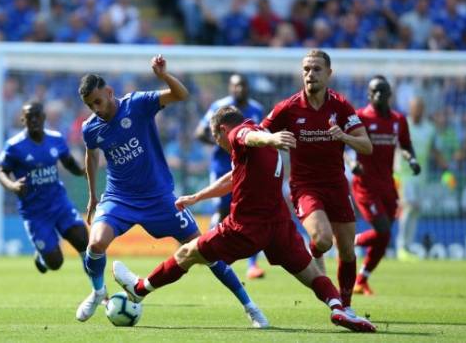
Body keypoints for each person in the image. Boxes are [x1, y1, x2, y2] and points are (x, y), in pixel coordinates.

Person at [111, 106, 376, 332]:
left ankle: (139, 288)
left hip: (245, 227)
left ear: (222, 130)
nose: (219, 144)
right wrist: (197, 197)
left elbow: (249, 138)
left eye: (217, 138)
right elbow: (233, 176)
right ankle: (338, 307)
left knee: (187, 253)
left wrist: (269, 140)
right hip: (279, 226)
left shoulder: (241, 133)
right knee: (309, 272)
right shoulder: (256, 132)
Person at [76, 55, 267, 327]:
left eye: (98, 101)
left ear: (108, 92)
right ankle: (97, 292)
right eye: (89, 105)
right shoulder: (90, 128)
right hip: (119, 198)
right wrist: (94, 196)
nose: (95, 109)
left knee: (205, 250)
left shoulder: (137, 104)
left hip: (160, 199)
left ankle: (250, 306)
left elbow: (181, 94)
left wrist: (164, 76)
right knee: (95, 243)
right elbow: (91, 156)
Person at [260, 49, 372, 313]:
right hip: (305, 186)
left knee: (347, 250)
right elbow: (259, 133)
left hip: (336, 185)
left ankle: (345, 306)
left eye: (317, 69)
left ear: (329, 74)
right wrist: (271, 140)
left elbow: (366, 146)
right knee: (323, 240)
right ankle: (315, 252)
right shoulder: (288, 108)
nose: (310, 74)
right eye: (306, 70)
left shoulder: (341, 106)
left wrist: (344, 137)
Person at [0, 101, 89, 276]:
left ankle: (100, 291)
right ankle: (42, 257)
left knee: (84, 241)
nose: (33, 120)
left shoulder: (56, 139)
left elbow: (68, 162)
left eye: (37, 116)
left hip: (59, 203)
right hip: (35, 211)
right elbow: (1, 171)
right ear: (23, 120)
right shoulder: (14, 146)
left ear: (43, 117)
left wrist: (82, 171)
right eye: (29, 117)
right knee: (55, 263)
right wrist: (12, 185)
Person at [348, 76, 420, 295]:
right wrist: (352, 163)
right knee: (383, 230)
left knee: (385, 236)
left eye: (382, 91)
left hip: (388, 185)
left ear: (390, 94)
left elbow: (406, 145)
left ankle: (361, 280)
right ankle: (345, 241)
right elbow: (342, 147)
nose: (378, 95)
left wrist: (412, 159)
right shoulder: (359, 117)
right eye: (374, 91)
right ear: (368, 95)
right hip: (365, 185)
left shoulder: (399, 120)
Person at [195, 73, 266, 279]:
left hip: (246, 164)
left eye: (242, 85)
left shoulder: (256, 108)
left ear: (247, 87)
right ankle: (206, 249)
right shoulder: (220, 106)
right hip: (221, 165)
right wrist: (224, 144)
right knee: (222, 209)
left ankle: (253, 265)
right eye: (235, 86)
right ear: (230, 87)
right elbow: (200, 132)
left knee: (250, 209)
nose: (239, 89)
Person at [395, 96, 440, 261]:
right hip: (404, 176)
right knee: (409, 207)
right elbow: (395, 148)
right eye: (414, 107)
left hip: (421, 176)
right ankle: (402, 247)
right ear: (410, 108)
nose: (417, 110)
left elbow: (434, 149)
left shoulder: (430, 128)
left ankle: (408, 246)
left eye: (420, 107)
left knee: (416, 210)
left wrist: (446, 168)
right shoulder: (402, 124)